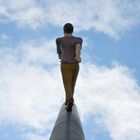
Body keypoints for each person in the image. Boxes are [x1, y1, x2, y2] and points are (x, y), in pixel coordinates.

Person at [56, 23, 83, 112]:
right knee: (72, 84)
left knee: (67, 84)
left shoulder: (59, 40)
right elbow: (77, 48)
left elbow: (59, 55)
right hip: (75, 65)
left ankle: (69, 100)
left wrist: (62, 55)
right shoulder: (78, 39)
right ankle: (69, 100)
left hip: (65, 65)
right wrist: (77, 57)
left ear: (64, 31)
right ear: (72, 30)